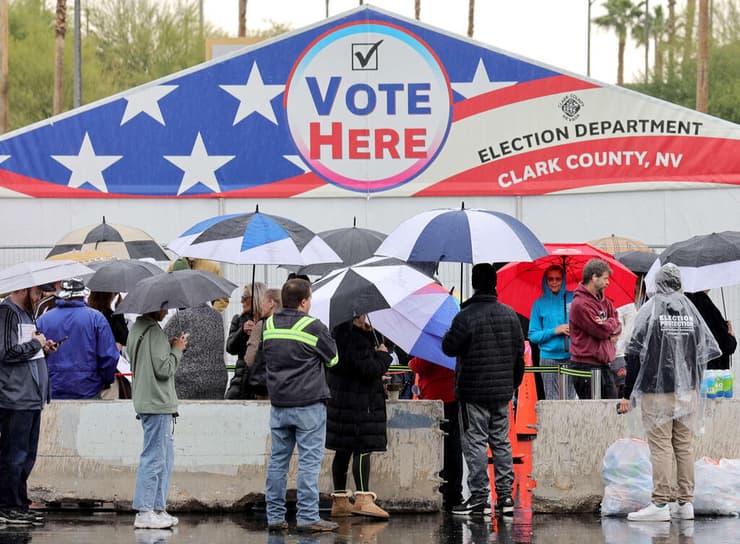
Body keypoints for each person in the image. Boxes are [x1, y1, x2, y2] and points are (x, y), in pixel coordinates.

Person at [619, 263, 721, 522]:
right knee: (684, 446)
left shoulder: (649, 311)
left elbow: (633, 352)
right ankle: (686, 503)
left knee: (661, 445)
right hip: (687, 390)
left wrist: (627, 391)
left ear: (658, 283)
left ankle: (661, 503)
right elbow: (703, 351)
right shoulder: (691, 311)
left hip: (657, 389)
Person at [442, 263, 524, 517]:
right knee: (501, 443)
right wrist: (512, 384)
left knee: (475, 443)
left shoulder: (465, 315)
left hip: (472, 393)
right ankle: (506, 498)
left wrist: (450, 328)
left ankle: (479, 498)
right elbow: (519, 356)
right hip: (502, 391)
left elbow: (449, 347)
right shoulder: (510, 315)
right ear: (495, 284)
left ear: (474, 283)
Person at [262, 278, 338, 533]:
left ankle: (274, 517)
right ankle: (307, 517)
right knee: (308, 463)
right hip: (308, 405)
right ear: (304, 301)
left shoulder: (268, 324)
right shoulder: (313, 326)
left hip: (279, 404)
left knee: (277, 463)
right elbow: (333, 359)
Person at [0, 284, 57, 525]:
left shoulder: (26, 314)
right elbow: (6, 352)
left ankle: (19, 504)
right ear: (22, 289)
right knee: (15, 455)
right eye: (37, 292)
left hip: (31, 397)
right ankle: (8, 506)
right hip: (16, 397)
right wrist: (36, 344)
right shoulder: (7, 313)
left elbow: (25, 351)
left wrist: (43, 348)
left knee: (27, 456)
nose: (41, 296)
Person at [326, 314, 392, 519]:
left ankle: (339, 501)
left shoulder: (336, 336)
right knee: (363, 448)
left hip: (340, 402)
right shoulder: (355, 339)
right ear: (356, 316)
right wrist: (382, 355)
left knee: (343, 449)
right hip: (360, 403)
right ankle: (363, 499)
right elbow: (369, 369)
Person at [129, 308, 187, 530]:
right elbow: (164, 369)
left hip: (146, 400)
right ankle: (145, 511)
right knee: (155, 457)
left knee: (163, 457)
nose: (167, 311)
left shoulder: (137, 328)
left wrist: (168, 346)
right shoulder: (154, 332)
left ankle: (157, 508)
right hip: (158, 402)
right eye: (165, 307)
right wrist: (177, 350)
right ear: (157, 307)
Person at [36, 279, 119, 400]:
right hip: (88, 389)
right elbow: (109, 356)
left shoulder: (43, 320)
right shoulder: (96, 318)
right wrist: (105, 380)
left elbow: (35, 355)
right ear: (83, 294)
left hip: (53, 388)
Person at [408, 356, 463, 512]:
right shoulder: (453, 340)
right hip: (453, 393)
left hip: (434, 395)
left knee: (436, 446)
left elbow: (420, 365)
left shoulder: (431, 344)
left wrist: (411, 363)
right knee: (453, 445)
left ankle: (440, 488)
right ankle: (454, 492)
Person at [569, 259, 622, 400]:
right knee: (592, 414)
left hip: (604, 364)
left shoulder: (606, 302)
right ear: (594, 277)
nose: (608, 282)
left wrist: (608, 323)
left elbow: (618, 324)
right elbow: (600, 331)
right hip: (585, 366)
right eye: (605, 278)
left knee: (612, 410)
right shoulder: (579, 304)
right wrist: (609, 326)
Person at [528, 265, 575, 400]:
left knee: (571, 399)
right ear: (545, 281)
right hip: (548, 357)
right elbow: (533, 335)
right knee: (551, 399)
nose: (554, 282)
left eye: (558, 279)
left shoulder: (573, 299)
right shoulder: (539, 304)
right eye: (550, 279)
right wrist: (554, 331)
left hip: (571, 356)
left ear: (563, 280)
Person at [164, 303, 226, 399]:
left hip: (186, 381)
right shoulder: (217, 316)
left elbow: (161, 343)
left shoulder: (181, 317)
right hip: (217, 380)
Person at [225, 282, 266, 399]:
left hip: (260, 384)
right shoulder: (238, 320)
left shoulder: (268, 322)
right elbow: (230, 348)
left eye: (245, 298)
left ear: (256, 298)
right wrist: (241, 331)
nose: (242, 301)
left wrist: (258, 332)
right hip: (240, 381)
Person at [244, 288, 282, 400]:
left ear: (271, 303)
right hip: (286, 387)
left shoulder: (262, 325)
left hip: (265, 388)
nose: (261, 305)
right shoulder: (290, 324)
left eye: (263, 302)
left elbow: (249, 359)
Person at [685, 290, 736, 370]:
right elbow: (726, 345)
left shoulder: (683, 303)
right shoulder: (704, 304)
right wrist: (731, 336)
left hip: (692, 372)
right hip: (712, 375)